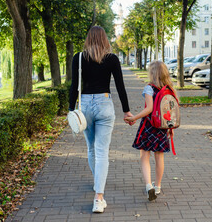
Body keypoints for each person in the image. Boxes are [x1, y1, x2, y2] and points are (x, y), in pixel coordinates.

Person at [69, 26, 133, 213]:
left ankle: (98, 183)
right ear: (105, 39)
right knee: (102, 151)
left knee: (91, 148)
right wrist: (126, 111)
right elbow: (120, 86)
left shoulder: (79, 58)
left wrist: (71, 110)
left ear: (89, 38)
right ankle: (99, 198)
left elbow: (75, 86)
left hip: (86, 105)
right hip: (105, 104)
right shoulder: (111, 59)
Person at [124, 61, 175, 201]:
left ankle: (148, 185)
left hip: (148, 127)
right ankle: (157, 186)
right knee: (159, 157)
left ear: (152, 73)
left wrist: (134, 117)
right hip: (162, 127)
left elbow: (149, 109)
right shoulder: (168, 89)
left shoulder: (149, 88)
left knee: (144, 156)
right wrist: (170, 128)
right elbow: (169, 111)